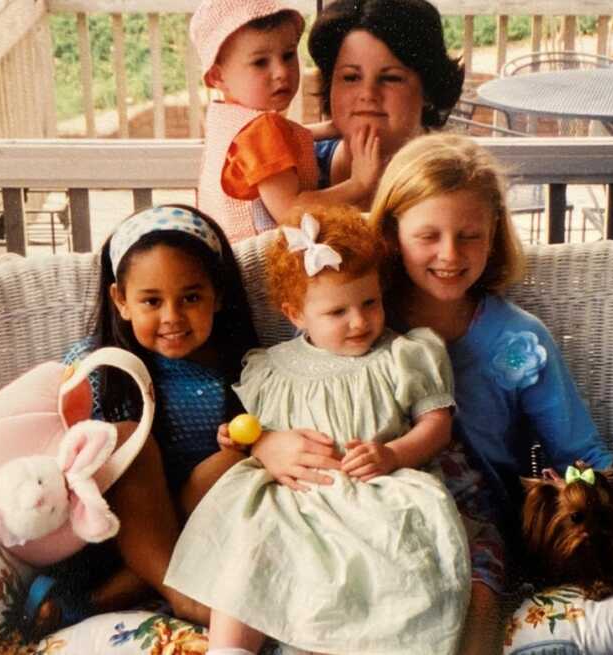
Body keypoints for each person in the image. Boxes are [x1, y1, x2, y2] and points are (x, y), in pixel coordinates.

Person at [368, 133, 613, 651]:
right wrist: (270, 443)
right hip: (375, 513)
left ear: (494, 234)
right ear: (390, 232)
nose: (450, 254)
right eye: (429, 235)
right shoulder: (357, 316)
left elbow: (583, 454)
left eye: (470, 235)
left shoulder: (518, 340)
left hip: (478, 529)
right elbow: (300, 387)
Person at [165, 206, 470, 655]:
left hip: (376, 490)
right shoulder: (271, 369)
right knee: (250, 547)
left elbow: (437, 424)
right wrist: (249, 439)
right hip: (293, 499)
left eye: (370, 303)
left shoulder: (402, 356)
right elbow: (252, 433)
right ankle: (231, 648)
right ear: (296, 315)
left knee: (401, 555)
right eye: (337, 311)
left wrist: (395, 454)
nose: (359, 321)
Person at [40, 204, 259, 632]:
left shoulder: (248, 369)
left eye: (191, 298)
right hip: (117, 530)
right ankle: (182, 597)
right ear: (121, 301)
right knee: (122, 439)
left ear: (219, 295)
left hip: (204, 529)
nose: (172, 317)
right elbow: (58, 449)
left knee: (240, 462)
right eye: (151, 301)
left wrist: (251, 445)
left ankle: (113, 596)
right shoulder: (96, 369)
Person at [191, 0, 366, 243]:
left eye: (288, 55)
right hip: (261, 269)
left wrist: (329, 128)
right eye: (260, 62)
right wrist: (358, 184)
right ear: (217, 76)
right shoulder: (260, 130)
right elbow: (291, 211)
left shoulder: (228, 118)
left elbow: (274, 144)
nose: (281, 71)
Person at [308, 0, 464, 210]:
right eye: (351, 77)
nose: (368, 94)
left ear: (427, 89)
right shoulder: (290, 172)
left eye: (391, 78)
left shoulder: (460, 183)